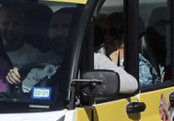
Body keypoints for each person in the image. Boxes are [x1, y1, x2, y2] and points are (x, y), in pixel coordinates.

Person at [7, 8, 137, 95]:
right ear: (48, 31)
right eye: (54, 27)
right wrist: (15, 80)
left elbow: (131, 84)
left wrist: (95, 81)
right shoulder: (38, 61)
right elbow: (25, 94)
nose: (59, 33)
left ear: (77, 32)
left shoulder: (94, 60)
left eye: (65, 27)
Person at [97, 12, 159, 87]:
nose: (106, 37)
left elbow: (142, 88)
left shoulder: (140, 65)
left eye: (112, 32)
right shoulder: (99, 55)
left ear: (123, 36)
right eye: (104, 32)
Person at [0, 2, 43, 68]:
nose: (11, 28)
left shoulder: (36, 57)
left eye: (16, 24)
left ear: (24, 25)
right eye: (5, 23)